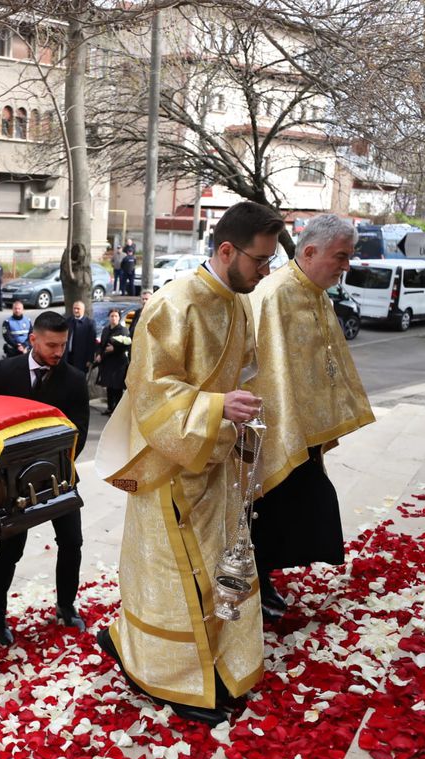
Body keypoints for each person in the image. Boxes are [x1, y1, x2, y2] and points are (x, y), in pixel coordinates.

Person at [93, 200, 281, 728]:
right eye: (260, 261)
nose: (265, 271)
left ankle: (215, 665)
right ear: (227, 250)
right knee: (178, 579)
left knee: (216, 572)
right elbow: (150, 393)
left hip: (214, 458)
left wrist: (237, 410)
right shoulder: (173, 305)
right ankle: (169, 676)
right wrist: (220, 406)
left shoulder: (239, 301)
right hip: (171, 467)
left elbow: (235, 372)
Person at [246, 214, 375, 620]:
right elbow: (256, 369)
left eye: (349, 257)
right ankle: (255, 582)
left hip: (305, 429)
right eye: (341, 256)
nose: (345, 266)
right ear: (310, 250)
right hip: (273, 428)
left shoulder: (318, 294)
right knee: (268, 509)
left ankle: (265, 577)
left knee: (295, 506)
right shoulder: (272, 294)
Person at [0, 312, 91, 645]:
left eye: (63, 344)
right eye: (52, 345)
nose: (59, 351)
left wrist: (56, 465)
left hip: (60, 477)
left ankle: (66, 606)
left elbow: (80, 432)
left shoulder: (74, 379)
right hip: (14, 483)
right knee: (10, 548)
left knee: (71, 543)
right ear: (33, 340)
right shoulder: (6, 371)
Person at [95, 308, 129, 415]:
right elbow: (101, 345)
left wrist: (114, 349)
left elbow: (127, 345)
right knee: (109, 386)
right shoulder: (106, 330)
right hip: (108, 362)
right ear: (109, 318)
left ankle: (116, 411)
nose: (114, 318)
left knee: (117, 387)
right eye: (112, 316)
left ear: (119, 318)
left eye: (116, 316)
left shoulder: (123, 330)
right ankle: (110, 407)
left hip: (119, 363)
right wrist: (99, 354)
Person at [65, 300, 97, 374]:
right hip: (68, 357)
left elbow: (91, 343)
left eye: (78, 308)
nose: (76, 310)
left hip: (81, 358)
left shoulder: (90, 323)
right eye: (74, 308)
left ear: (83, 309)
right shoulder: (68, 321)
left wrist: (89, 359)